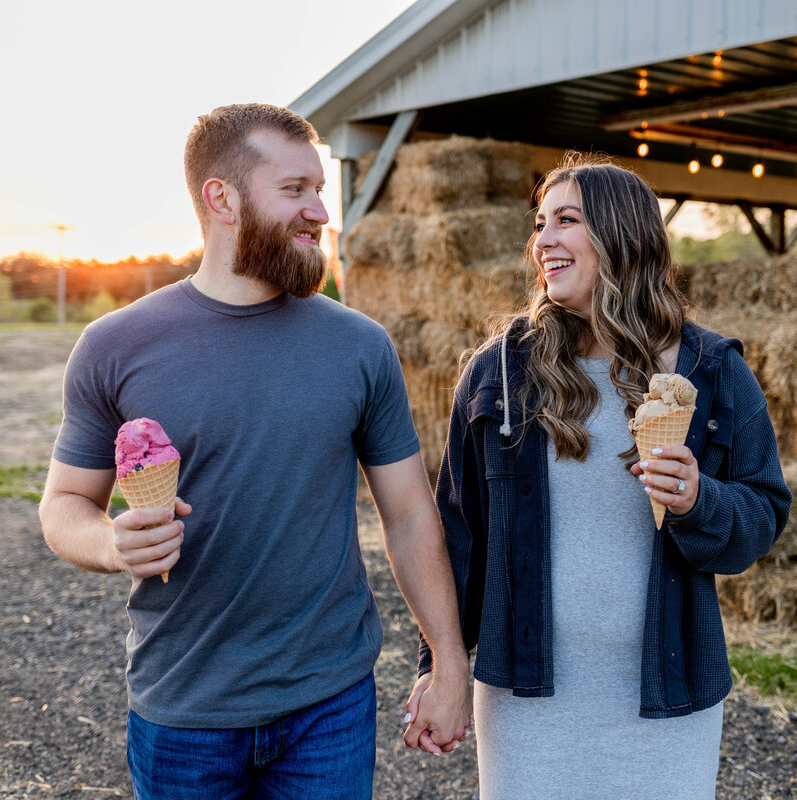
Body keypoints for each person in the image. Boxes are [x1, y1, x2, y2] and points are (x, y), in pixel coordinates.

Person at [38, 103, 470, 800]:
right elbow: (63, 506)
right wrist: (112, 544)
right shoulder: (115, 346)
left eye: (321, 189)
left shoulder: (360, 346)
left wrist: (447, 663)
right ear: (222, 199)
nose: (321, 212)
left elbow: (411, 515)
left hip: (329, 707)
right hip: (183, 714)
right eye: (296, 189)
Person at [405, 155, 791, 798]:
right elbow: (458, 534)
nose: (542, 241)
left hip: (666, 697)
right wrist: (441, 668)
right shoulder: (499, 372)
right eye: (539, 223)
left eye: (566, 221)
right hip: (525, 696)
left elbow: (764, 514)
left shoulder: (713, 371)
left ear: (621, 234)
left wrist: (700, 499)